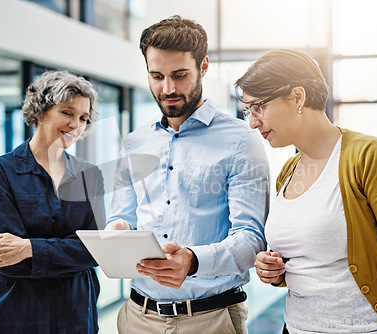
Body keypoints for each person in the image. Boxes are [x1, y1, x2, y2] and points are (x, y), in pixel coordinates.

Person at [235, 49, 377, 333]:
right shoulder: (289, 170)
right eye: (248, 110)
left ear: (298, 97)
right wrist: (273, 269)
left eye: (258, 107)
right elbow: (312, 258)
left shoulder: (371, 157)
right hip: (295, 327)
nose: (252, 121)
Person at [106, 15, 270, 334]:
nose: (168, 89)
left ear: (203, 66)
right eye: (157, 76)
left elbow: (252, 238)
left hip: (211, 320)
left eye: (179, 75)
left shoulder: (241, 140)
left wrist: (193, 260)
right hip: (137, 317)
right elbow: (122, 215)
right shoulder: (135, 142)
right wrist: (119, 229)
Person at [0, 70, 106, 334]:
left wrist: (29, 248)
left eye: (83, 118)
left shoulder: (90, 175)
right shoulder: (0, 171)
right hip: (17, 309)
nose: (76, 125)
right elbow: (9, 260)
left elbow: (95, 249)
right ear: (40, 111)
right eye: (67, 112)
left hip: (76, 309)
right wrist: (69, 252)